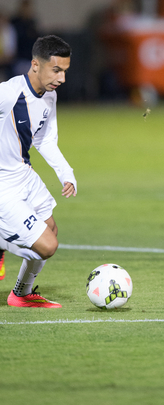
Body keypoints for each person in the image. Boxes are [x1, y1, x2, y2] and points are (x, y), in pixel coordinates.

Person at [0, 35, 77, 307]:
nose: (62, 78)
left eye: (65, 71)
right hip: (3, 186)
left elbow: (44, 139)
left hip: (25, 175)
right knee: (47, 246)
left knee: (51, 230)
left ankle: (21, 294)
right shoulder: (9, 93)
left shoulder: (49, 96)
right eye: (56, 70)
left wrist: (65, 172)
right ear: (35, 65)